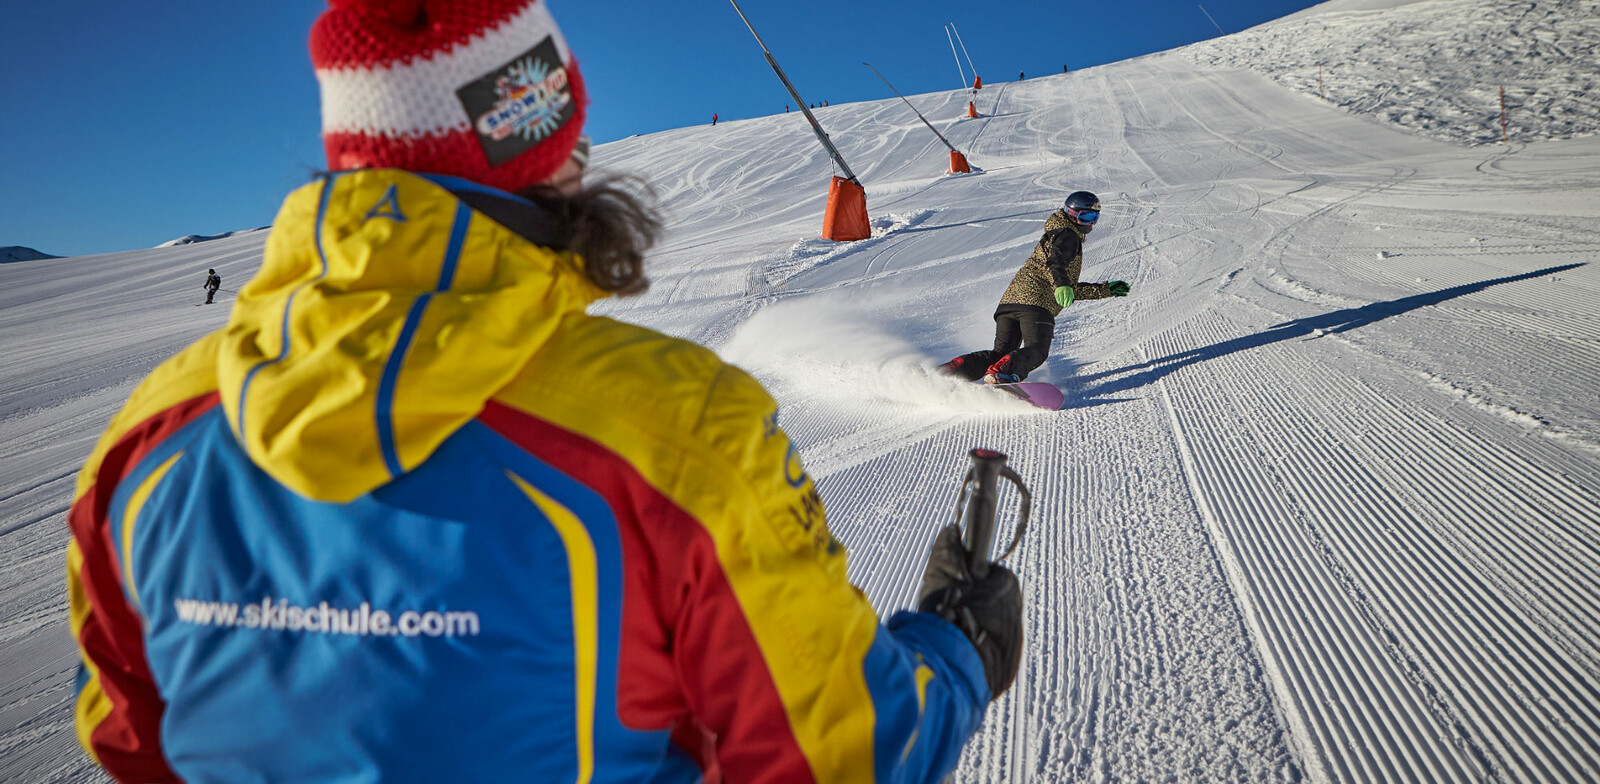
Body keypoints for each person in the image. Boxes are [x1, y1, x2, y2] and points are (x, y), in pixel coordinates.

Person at [66, 1, 1021, 782]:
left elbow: (122, 733)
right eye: (569, 129)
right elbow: (841, 753)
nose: (584, 148)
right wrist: (956, 650)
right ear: (533, 138)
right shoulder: (678, 430)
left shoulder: (148, 436)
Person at [940, 190, 1130, 384]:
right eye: (1085, 216)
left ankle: (953, 370)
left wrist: (1106, 290)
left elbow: (1065, 287)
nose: (1090, 223)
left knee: (1000, 353)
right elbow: (1055, 264)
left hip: (1010, 303)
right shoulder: (1068, 236)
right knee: (1037, 349)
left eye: (1094, 217)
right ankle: (1002, 374)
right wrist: (1062, 285)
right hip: (1036, 304)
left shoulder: (1054, 234)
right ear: (1071, 214)